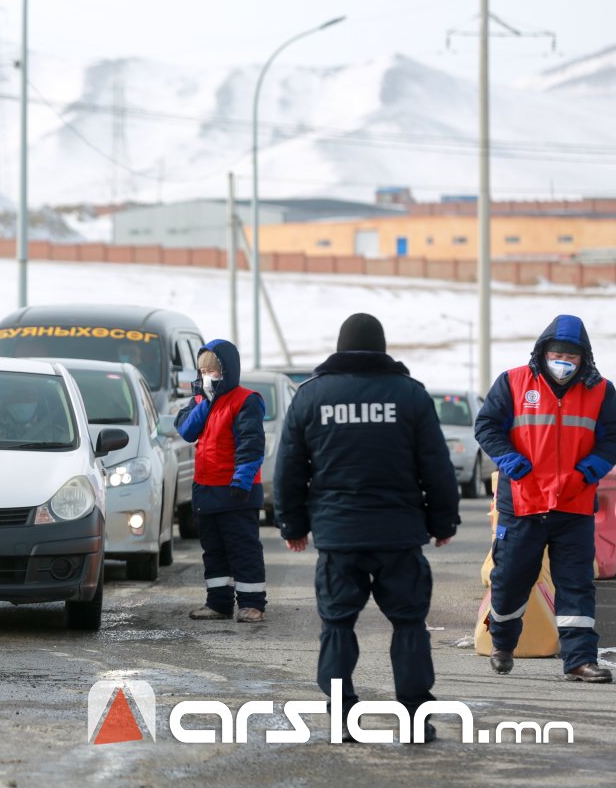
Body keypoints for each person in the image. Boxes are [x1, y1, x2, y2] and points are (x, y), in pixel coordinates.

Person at [274, 312, 459, 743]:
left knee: (337, 625)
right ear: (382, 347)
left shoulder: (311, 396)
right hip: (399, 536)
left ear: (339, 348)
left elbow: (288, 469)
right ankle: (415, 718)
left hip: (339, 538)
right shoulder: (410, 395)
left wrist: (293, 524)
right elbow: (436, 466)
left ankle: (342, 717)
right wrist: (442, 520)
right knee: (409, 623)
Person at [474, 314, 616, 684]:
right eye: (557, 353)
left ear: (584, 357)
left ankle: (579, 660)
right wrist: (509, 460)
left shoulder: (601, 391)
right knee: (511, 579)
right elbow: (486, 425)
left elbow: (612, 438)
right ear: (542, 352)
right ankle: (503, 643)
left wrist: (589, 471)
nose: (564, 361)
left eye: (572, 356)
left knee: (577, 584)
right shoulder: (513, 382)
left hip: (574, 502)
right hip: (523, 501)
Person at [174, 340, 268, 623]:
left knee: (243, 550)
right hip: (206, 491)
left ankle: (252, 604)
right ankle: (218, 603)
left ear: (226, 371)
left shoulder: (246, 400)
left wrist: (241, 481)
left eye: (211, 370)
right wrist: (206, 401)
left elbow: (251, 444)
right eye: (201, 370)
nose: (206, 375)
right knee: (214, 552)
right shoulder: (199, 401)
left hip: (237, 492)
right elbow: (187, 431)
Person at [0, 384, 67, 442]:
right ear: (6, 402)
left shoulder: (54, 433)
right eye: (16, 398)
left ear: (37, 401)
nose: (22, 403)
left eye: (28, 398)